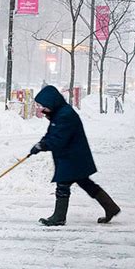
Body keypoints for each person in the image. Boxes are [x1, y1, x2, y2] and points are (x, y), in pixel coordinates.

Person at [30, 85, 120, 226]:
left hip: (72, 158)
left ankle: (59, 217)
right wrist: (41, 142)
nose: (43, 109)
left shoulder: (65, 115)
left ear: (52, 102)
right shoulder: (59, 113)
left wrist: (43, 146)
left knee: (63, 186)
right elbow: (52, 133)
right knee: (87, 184)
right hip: (72, 157)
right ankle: (110, 207)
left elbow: (58, 139)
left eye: (45, 106)